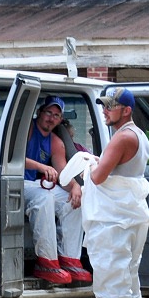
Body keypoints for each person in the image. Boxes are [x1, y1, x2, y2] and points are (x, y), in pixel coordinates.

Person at [80, 87, 149, 298]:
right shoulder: (141, 137)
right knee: (130, 282)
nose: (106, 110)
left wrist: (87, 165)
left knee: (113, 284)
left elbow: (98, 177)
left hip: (114, 222)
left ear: (127, 110)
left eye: (111, 106)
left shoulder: (121, 137)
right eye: (105, 106)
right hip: (132, 217)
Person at [24, 95, 91, 284]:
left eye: (56, 115)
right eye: (48, 113)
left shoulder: (55, 142)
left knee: (73, 200)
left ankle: (69, 259)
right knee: (44, 197)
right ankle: (46, 262)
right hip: (16, 183)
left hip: (37, 186)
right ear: (39, 113)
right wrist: (41, 167)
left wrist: (76, 186)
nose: (51, 118)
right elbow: (12, 158)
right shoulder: (27, 129)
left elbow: (63, 174)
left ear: (60, 120)